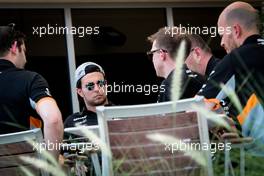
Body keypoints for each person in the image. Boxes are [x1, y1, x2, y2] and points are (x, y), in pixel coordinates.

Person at [197, 1, 264, 155]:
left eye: (222, 35)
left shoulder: (235, 60)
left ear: (235, 30)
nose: (221, 42)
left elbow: (195, 110)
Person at [0, 24, 63, 159]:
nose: (26, 59)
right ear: (14, 47)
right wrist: (51, 165)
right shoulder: (30, 79)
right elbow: (53, 119)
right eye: (24, 51)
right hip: (22, 169)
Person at [147, 27, 204, 102]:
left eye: (151, 54)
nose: (152, 60)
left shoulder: (169, 84)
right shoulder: (201, 78)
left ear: (161, 54)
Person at [64, 62, 109, 128]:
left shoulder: (123, 113)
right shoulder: (72, 122)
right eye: (90, 86)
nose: (97, 89)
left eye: (101, 83)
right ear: (80, 92)